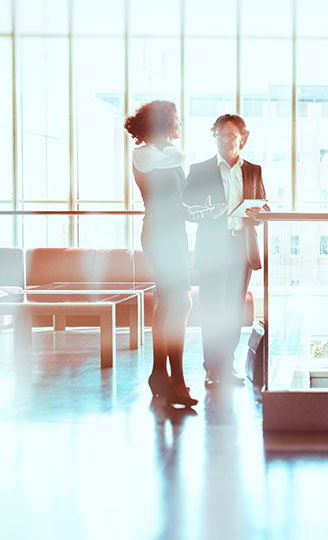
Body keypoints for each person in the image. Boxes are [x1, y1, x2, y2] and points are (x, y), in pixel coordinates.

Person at [183, 114, 268, 388]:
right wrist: (204, 212)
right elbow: (185, 208)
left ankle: (227, 366)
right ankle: (212, 369)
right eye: (220, 135)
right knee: (212, 310)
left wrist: (259, 212)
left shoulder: (253, 170)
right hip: (212, 248)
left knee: (232, 310)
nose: (225, 140)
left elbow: (264, 207)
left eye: (231, 136)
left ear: (242, 138)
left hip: (240, 248)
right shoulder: (200, 170)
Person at [125, 100, 197, 407]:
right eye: (176, 120)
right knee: (180, 303)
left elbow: (172, 199)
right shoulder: (145, 154)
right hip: (160, 235)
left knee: (170, 302)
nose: (180, 126)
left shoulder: (163, 157)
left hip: (174, 234)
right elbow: (177, 156)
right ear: (164, 124)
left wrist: (193, 210)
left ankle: (160, 374)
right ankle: (175, 378)